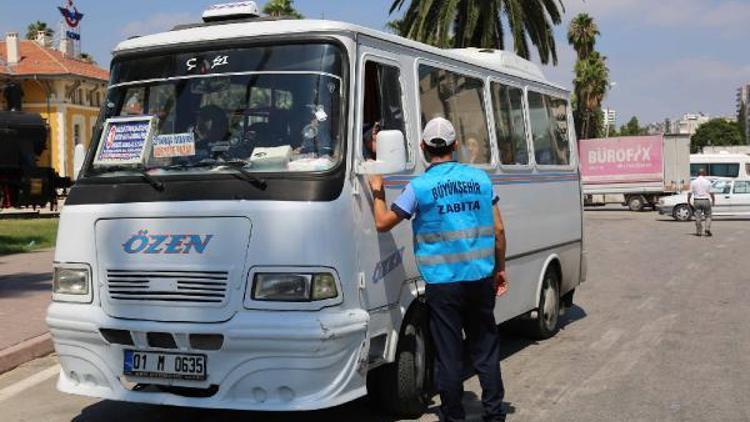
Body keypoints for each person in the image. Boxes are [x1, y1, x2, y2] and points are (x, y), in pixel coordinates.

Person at [369, 117, 508, 422]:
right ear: (455, 146)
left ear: (423, 148)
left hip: (443, 286)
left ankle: (453, 416)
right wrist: (499, 268)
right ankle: (495, 415)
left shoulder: (419, 187)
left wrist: (377, 190)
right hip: (481, 278)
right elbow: (498, 229)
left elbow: (382, 223)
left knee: (448, 355)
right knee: (485, 351)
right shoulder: (481, 180)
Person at [688, 168, 715, 237]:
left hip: (697, 200)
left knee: (698, 216)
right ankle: (707, 230)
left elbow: (690, 193)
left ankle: (699, 232)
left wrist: (688, 200)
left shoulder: (693, 182)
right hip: (706, 200)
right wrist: (713, 200)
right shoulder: (708, 182)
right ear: (704, 173)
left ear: (698, 174)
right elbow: (711, 193)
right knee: (708, 216)